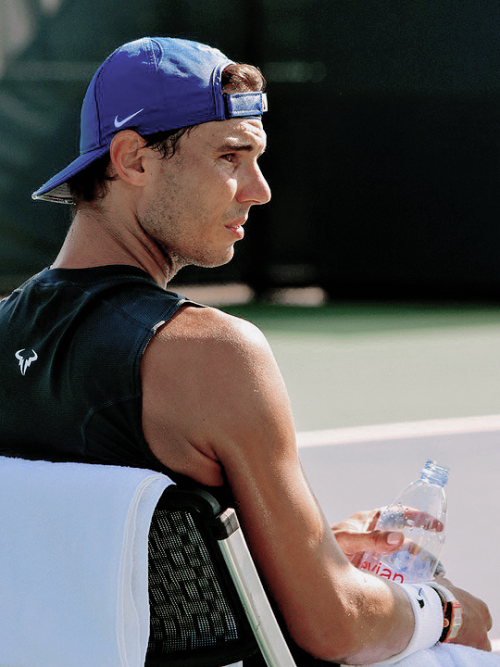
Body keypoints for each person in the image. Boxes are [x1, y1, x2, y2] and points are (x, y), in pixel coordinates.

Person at [0, 37, 495, 666]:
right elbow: (337, 626)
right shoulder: (210, 353)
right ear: (132, 159)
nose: (258, 190)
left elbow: (87, 564)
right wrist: (443, 608)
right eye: (231, 156)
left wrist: (299, 556)